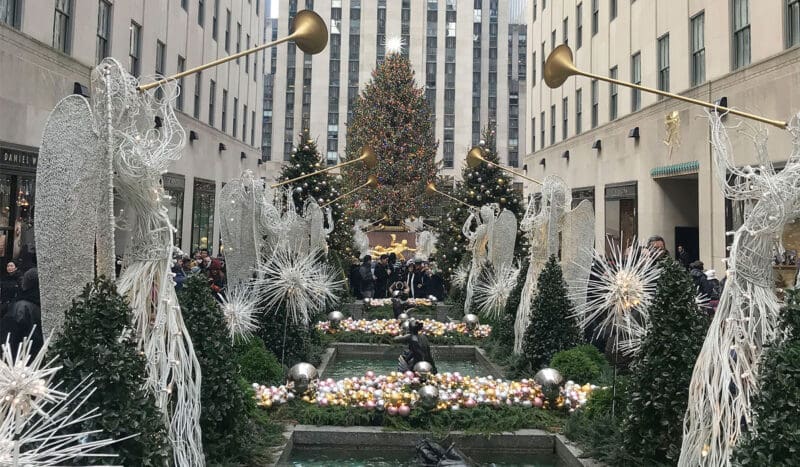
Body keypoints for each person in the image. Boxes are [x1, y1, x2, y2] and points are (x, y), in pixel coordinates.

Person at [0, 268, 43, 360]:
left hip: (20, 362)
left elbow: (8, 340)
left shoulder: (20, 308)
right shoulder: (40, 305)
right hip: (36, 360)